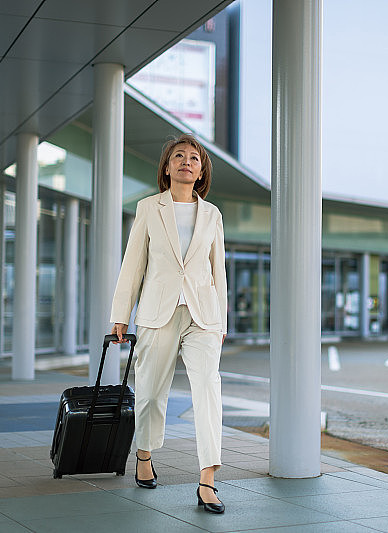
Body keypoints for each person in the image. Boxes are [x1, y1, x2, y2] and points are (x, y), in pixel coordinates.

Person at [109, 133, 227, 514]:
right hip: (157, 312)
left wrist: (221, 321)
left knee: (208, 389)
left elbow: (217, 271)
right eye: (179, 156)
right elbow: (133, 265)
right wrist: (120, 315)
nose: (186, 162)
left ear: (201, 171)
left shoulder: (212, 215)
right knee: (149, 391)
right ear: (166, 166)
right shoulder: (149, 208)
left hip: (202, 315)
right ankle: (144, 456)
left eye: (194, 158)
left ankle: (207, 479)